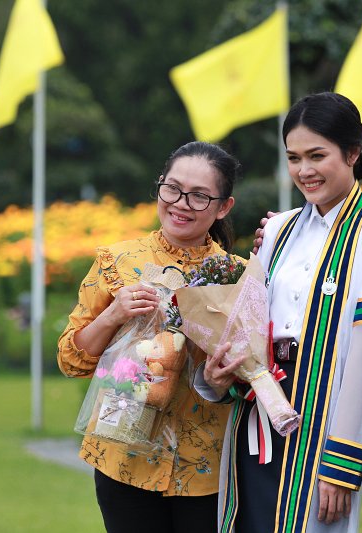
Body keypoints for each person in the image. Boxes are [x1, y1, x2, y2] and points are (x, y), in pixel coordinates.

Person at [199, 92, 362, 532]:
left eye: (317, 155)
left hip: (322, 415)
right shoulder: (278, 228)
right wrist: (219, 375)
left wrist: (342, 462)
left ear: (353, 153)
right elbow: (244, 322)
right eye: (294, 157)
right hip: (258, 409)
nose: (305, 170)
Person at [57, 141, 240, 533]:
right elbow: (72, 360)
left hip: (205, 465)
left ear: (223, 206)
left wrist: (224, 378)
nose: (181, 203)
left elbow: (251, 373)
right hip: (122, 457)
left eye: (200, 196)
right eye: (172, 188)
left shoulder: (237, 277)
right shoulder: (117, 262)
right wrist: (114, 314)